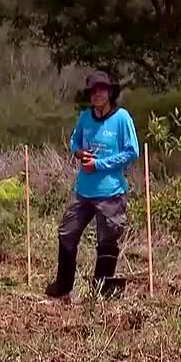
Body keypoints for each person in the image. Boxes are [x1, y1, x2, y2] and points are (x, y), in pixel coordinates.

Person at [46, 71, 139, 301]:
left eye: (101, 89)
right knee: (67, 233)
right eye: (93, 91)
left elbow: (132, 152)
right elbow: (73, 141)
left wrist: (99, 164)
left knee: (106, 241)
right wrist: (77, 152)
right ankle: (63, 287)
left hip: (111, 192)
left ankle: (101, 293)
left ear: (109, 92)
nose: (97, 94)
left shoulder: (122, 118)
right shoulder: (84, 117)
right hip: (84, 190)